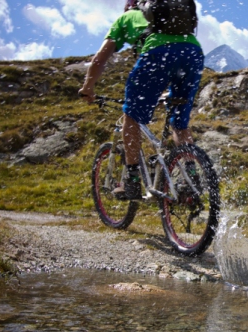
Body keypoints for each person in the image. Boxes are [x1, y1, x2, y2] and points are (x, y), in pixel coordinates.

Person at [79, 0, 204, 200]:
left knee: (131, 116)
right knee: (180, 124)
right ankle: (191, 176)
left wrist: (87, 87)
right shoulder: (174, 17)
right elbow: (174, 55)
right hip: (193, 54)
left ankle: (132, 179)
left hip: (157, 54)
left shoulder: (126, 18)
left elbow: (99, 59)